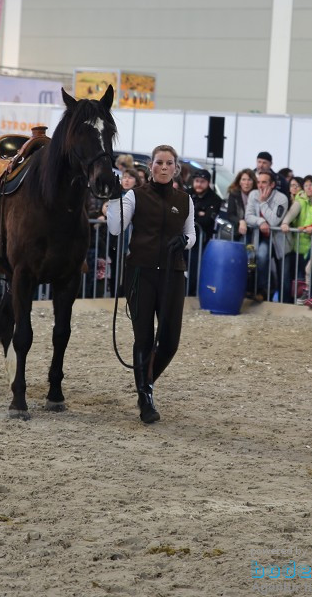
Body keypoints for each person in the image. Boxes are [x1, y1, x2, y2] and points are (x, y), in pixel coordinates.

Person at [105, 145, 194, 424]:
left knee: (169, 340)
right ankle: (145, 396)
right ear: (150, 166)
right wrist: (115, 197)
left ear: (176, 167)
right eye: (159, 163)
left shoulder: (185, 199)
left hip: (173, 274)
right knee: (143, 337)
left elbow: (190, 234)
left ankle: (146, 381)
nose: (164, 167)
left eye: (169, 163)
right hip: (140, 273)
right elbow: (116, 228)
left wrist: (184, 242)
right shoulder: (134, 196)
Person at [245, 170, 289, 302]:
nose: (260, 185)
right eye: (258, 182)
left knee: (284, 275)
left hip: (280, 241)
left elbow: (274, 221)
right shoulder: (253, 194)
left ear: (272, 184)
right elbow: (248, 217)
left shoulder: (281, 198)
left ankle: (284, 302)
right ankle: (261, 290)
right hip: (259, 238)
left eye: (264, 182)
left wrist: (263, 202)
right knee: (256, 258)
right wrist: (261, 221)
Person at [187, 168, 222, 295]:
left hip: (202, 241)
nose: (199, 184)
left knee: (195, 268)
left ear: (208, 183)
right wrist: (198, 213)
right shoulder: (186, 194)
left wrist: (192, 214)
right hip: (184, 237)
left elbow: (207, 220)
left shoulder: (215, 199)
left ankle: (191, 293)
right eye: (196, 181)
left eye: (202, 181)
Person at [222, 168, 255, 242]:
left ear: (253, 182)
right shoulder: (234, 194)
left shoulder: (257, 194)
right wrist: (240, 221)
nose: (246, 183)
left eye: (249, 180)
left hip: (255, 231)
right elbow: (230, 214)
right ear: (239, 182)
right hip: (239, 231)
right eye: (243, 179)